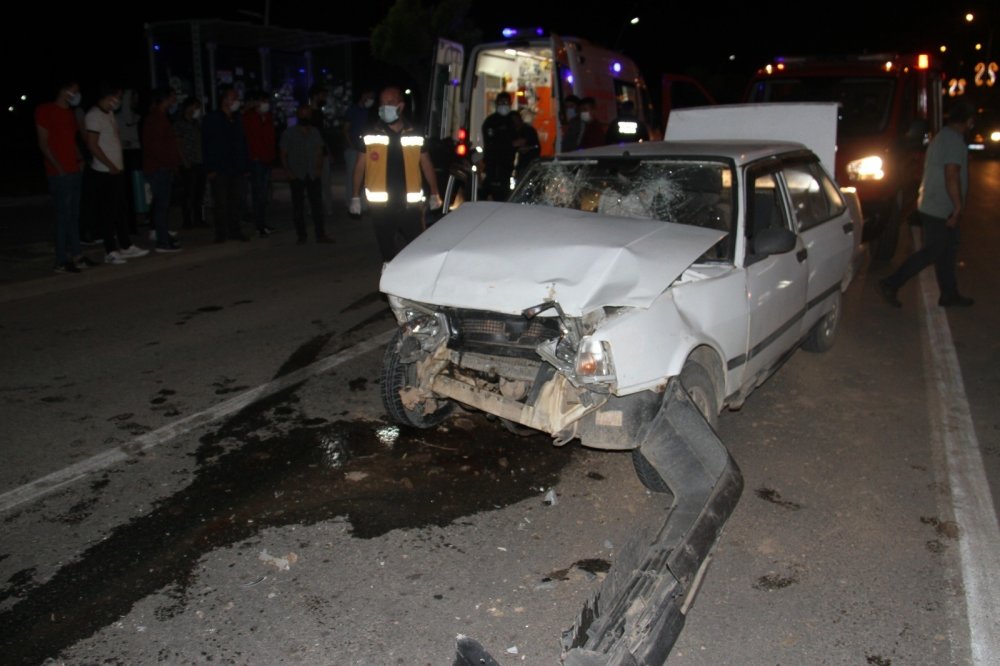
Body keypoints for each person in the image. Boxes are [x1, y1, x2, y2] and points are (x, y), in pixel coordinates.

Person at [878, 99, 976, 308]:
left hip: (935, 204)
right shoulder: (953, 141)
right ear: (968, 121)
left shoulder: (944, 136)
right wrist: (957, 208)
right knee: (933, 251)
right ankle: (891, 283)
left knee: (947, 251)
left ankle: (949, 294)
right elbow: (951, 175)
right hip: (940, 208)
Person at [349, 85, 442, 262]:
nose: (385, 107)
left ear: (401, 106)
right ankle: (389, 273)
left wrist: (435, 193)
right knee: (387, 251)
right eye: (382, 103)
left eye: (390, 102)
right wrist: (354, 196)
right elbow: (360, 167)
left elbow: (426, 164)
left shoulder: (415, 133)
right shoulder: (370, 134)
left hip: (410, 206)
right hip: (382, 207)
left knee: (418, 250)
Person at [84, 83, 150, 265]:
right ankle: (110, 250)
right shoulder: (94, 115)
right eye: (118, 97)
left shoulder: (109, 113)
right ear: (109, 96)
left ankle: (126, 245)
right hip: (104, 171)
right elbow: (92, 144)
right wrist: (110, 165)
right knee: (108, 212)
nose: (119, 101)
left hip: (116, 170)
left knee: (120, 210)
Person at [34, 78, 94, 273]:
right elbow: (43, 143)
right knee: (62, 216)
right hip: (60, 173)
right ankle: (61, 260)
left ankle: (77, 255)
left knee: (73, 215)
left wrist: (80, 159)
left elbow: (72, 140)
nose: (76, 95)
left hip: (74, 170)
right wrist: (58, 167)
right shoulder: (45, 110)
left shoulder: (69, 113)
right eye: (74, 91)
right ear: (63, 90)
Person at [202, 85, 250, 243]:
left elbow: (242, 142)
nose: (237, 101)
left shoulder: (237, 119)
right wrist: (210, 168)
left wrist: (245, 165)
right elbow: (207, 144)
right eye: (234, 98)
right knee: (221, 202)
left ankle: (235, 230)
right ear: (224, 100)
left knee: (235, 201)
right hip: (219, 167)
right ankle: (221, 233)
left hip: (236, 166)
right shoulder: (212, 118)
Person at [281, 105, 332, 244]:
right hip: (297, 173)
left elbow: (319, 150)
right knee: (298, 206)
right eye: (302, 114)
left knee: (317, 205)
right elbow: (283, 153)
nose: (305, 117)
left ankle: (320, 235)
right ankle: (301, 236)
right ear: (298, 115)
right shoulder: (289, 133)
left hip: (312, 173)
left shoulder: (315, 132)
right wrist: (288, 171)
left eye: (307, 114)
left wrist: (319, 168)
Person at [141, 86, 183, 252]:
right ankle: (162, 241)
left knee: (162, 206)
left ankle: (163, 236)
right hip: (160, 168)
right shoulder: (156, 118)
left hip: (161, 167)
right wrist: (170, 164)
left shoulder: (160, 117)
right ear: (164, 99)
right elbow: (157, 148)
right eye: (172, 97)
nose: (174, 101)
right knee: (161, 207)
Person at [243, 90, 277, 237]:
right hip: (256, 160)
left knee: (263, 194)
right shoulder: (249, 117)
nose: (266, 104)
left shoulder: (268, 117)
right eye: (263, 101)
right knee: (259, 193)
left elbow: (270, 137)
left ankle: (262, 223)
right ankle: (259, 225)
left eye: (266, 101)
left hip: (267, 159)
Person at [174, 96, 207, 229]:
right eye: (196, 107)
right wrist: (184, 161)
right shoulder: (179, 124)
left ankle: (198, 219)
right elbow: (178, 144)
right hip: (189, 163)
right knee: (188, 193)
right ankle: (187, 221)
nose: (198, 110)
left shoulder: (196, 123)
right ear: (189, 107)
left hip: (199, 161)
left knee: (199, 193)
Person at [343, 87, 374, 215]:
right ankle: (351, 203)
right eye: (370, 96)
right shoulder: (353, 110)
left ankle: (364, 205)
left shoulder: (368, 112)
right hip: (353, 149)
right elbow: (345, 130)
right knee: (353, 176)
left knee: (365, 176)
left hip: (365, 148)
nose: (371, 99)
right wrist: (352, 146)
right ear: (363, 95)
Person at [481, 91, 517, 201]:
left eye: (506, 103)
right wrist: (509, 144)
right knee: (493, 191)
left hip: (508, 166)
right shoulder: (491, 122)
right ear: (496, 104)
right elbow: (491, 143)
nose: (504, 105)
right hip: (494, 165)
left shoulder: (512, 121)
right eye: (501, 103)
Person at [308, 83, 336, 216]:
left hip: (321, 151)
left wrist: (328, 151)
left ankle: (326, 208)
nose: (324, 98)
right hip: (313, 152)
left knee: (325, 181)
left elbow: (322, 135)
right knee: (314, 181)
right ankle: (315, 208)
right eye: (322, 95)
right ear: (315, 96)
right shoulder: (308, 113)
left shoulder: (319, 112)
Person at [510, 109, 540, 185]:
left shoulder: (528, 130)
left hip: (528, 165)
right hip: (519, 167)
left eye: (515, 119)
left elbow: (533, 146)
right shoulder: (512, 132)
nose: (514, 122)